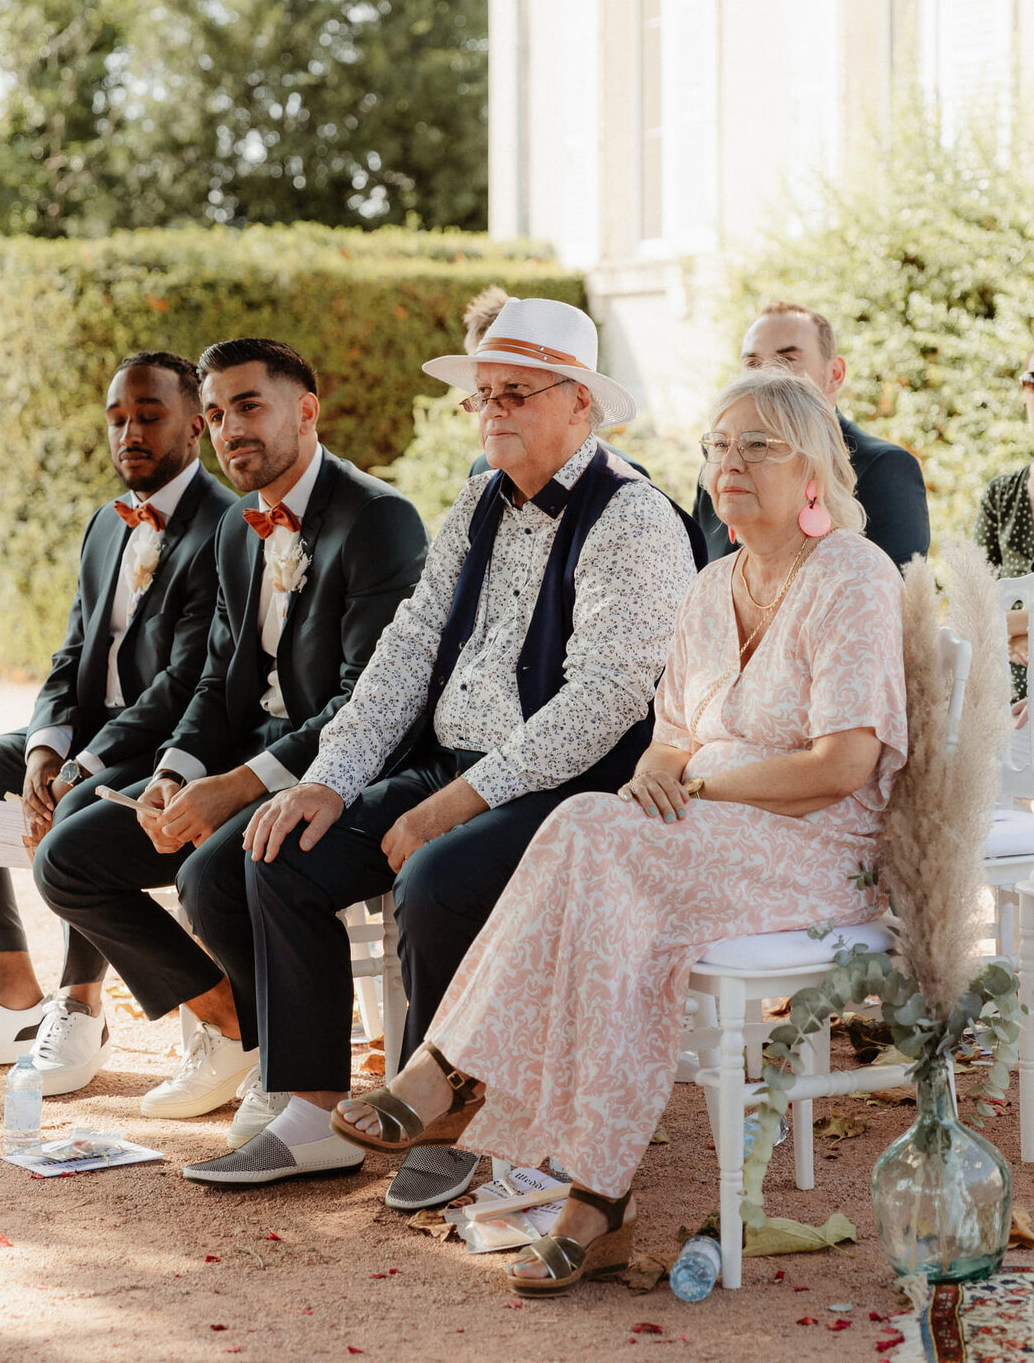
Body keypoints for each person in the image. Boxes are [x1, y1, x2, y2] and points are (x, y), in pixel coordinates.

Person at [336, 368, 906, 1296]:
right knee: (596, 854)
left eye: (757, 445)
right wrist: (654, 773)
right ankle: (588, 1200)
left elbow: (842, 768)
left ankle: (457, 1079)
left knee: (591, 842)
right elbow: (671, 735)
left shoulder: (852, 573)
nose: (730, 464)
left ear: (815, 471)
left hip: (820, 849)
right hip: (706, 838)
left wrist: (700, 784)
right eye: (718, 446)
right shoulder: (713, 579)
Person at [175, 297, 702, 1209]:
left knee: (437, 877)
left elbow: (604, 701)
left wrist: (458, 802)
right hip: (453, 763)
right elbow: (409, 650)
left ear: (580, 403)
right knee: (279, 849)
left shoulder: (635, 519)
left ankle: (455, 1115)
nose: (493, 411)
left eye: (517, 395)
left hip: (576, 785)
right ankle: (310, 1110)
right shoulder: (480, 498)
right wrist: (331, 779)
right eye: (484, 395)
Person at [32, 338, 429, 1122]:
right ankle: (236, 1027)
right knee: (66, 857)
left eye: (248, 406)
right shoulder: (238, 525)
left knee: (212, 873)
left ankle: (289, 1072)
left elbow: (369, 703)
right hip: (252, 749)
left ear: (306, 410)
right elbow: (218, 683)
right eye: (215, 414)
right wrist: (177, 774)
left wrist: (238, 788)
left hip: (348, 766)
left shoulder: (378, 518)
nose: (228, 429)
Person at [0, 352, 235, 1090]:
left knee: (74, 812)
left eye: (149, 416)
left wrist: (78, 767)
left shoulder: (227, 527)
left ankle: (81, 1006)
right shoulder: (104, 523)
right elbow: (73, 651)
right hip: (88, 732)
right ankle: (12, 996)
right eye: (118, 419)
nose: (130, 432)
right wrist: (41, 753)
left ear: (194, 424)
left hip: (165, 742)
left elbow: (186, 683)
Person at [693, 301, 928, 570]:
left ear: (835, 374)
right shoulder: (721, 465)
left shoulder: (885, 466)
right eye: (753, 363)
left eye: (787, 360)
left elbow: (895, 594)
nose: (769, 374)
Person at [463, 284, 649, 482]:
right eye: (483, 389)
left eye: (514, 388)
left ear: (578, 402)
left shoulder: (626, 486)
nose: (491, 408)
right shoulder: (481, 481)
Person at [974, 344, 1034, 715]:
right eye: (1033, 381)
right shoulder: (1001, 495)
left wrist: (1010, 629)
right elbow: (972, 615)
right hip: (1000, 722)